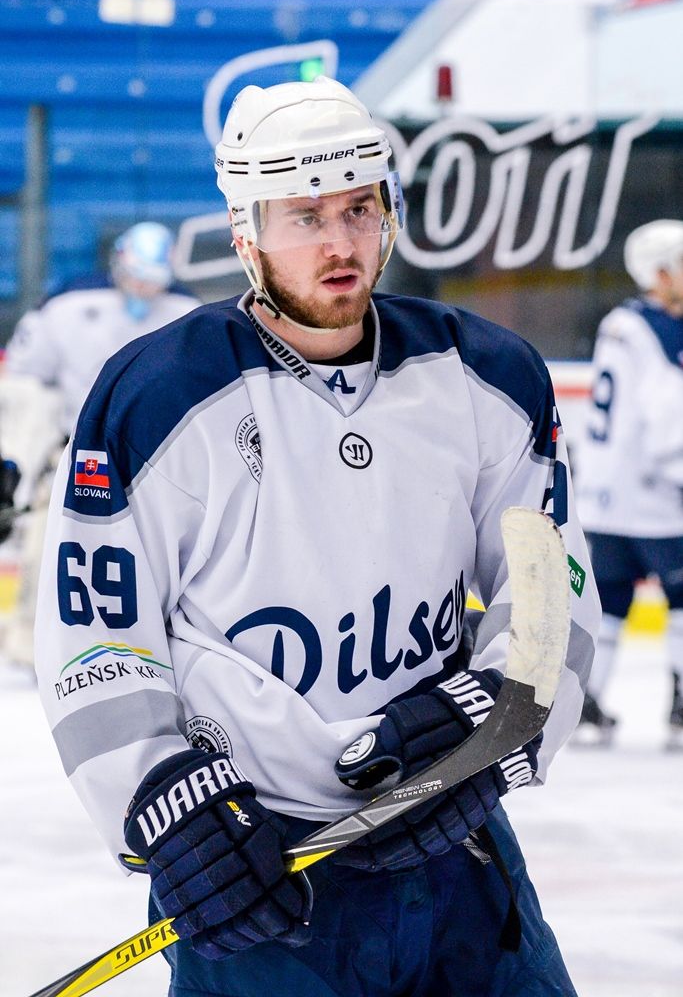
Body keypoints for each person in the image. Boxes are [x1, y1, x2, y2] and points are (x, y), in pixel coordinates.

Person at [34, 78, 599, 997]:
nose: (339, 243)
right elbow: (94, 637)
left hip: (453, 849)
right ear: (245, 231)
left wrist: (486, 719)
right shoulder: (156, 394)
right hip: (255, 868)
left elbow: (551, 588)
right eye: (304, 216)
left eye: (358, 209)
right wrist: (173, 813)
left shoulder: (484, 375)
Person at [0, 222, 198, 672]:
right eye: (137, 275)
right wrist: (36, 447)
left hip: (154, 459)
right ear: (119, 261)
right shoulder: (67, 304)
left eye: (152, 279)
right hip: (72, 452)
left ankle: (153, 639)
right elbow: (24, 380)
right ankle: (31, 637)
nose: (142, 288)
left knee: (154, 552)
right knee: (50, 539)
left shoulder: (187, 313)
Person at [576, 219, 683, 745]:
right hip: (655, 498)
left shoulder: (621, 321)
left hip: (604, 495)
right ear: (660, 274)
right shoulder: (663, 332)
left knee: (613, 599)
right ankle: (680, 707)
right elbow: (668, 420)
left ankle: (586, 703)